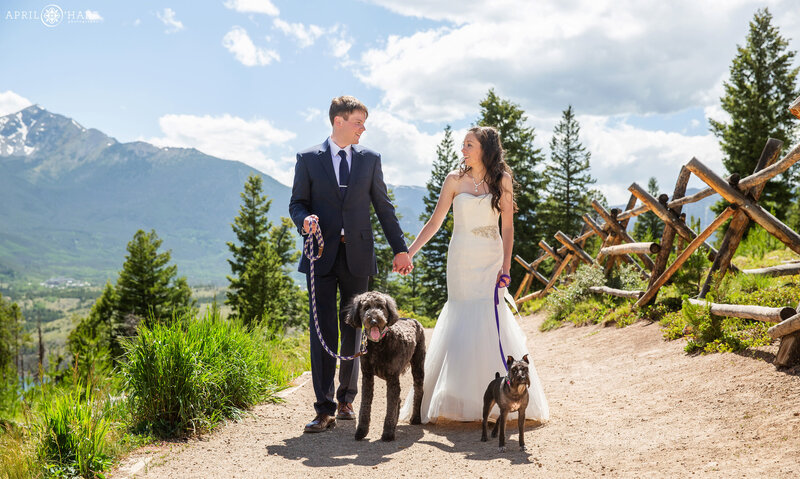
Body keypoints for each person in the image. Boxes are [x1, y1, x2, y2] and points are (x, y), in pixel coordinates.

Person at [399, 126, 548, 424]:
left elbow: (507, 226)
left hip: (491, 258)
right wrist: (409, 251)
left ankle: (503, 399)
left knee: (490, 319)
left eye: (470, 144)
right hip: (461, 259)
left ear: (485, 149)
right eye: (463, 144)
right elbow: (435, 221)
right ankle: (457, 399)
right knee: (461, 317)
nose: (463, 149)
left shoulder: (502, 180)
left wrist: (506, 267)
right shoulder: (453, 180)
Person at [290, 96, 413, 433]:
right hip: (320, 255)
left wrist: (401, 249)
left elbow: (384, 207)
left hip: (359, 255)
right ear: (339, 121)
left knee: (356, 329)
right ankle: (324, 408)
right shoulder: (308, 159)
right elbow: (296, 204)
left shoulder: (370, 160)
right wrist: (306, 220)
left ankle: (347, 399)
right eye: (359, 121)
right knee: (322, 331)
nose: (363, 128)